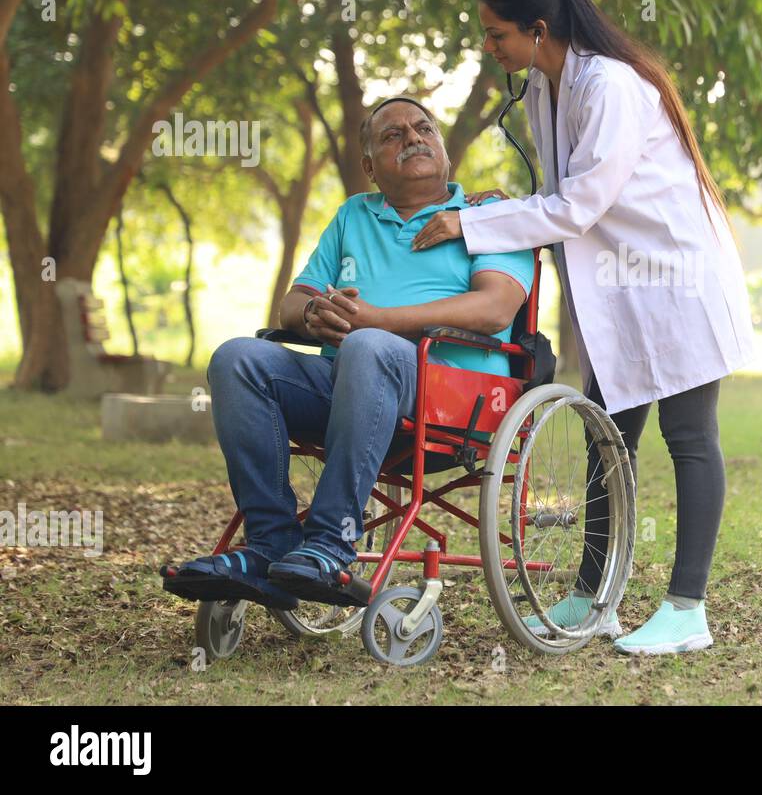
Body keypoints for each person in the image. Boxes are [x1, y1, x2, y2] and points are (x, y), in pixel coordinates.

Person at [409, 0, 755, 654]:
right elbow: (567, 194)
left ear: (539, 29)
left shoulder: (612, 85)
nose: (490, 48)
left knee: (689, 438)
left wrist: (471, 226)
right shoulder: (545, 86)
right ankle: (595, 599)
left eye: (497, 33)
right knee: (607, 437)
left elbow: (580, 203)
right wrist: (504, 208)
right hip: (625, 292)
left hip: (679, 278)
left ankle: (688, 610)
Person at [162, 97, 534, 608]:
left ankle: (331, 543)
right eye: (393, 135)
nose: (413, 139)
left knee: (368, 344)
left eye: (424, 128)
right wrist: (314, 315)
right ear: (369, 168)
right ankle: (270, 544)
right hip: (348, 384)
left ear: (444, 148)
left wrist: (375, 321)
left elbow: (495, 308)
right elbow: (292, 304)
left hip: (453, 394)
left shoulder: (489, 214)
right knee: (237, 358)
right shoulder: (352, 216)